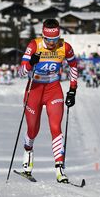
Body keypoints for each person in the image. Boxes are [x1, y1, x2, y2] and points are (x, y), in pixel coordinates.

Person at [18, 19, 78, 184]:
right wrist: (30, 63)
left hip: (53, 90)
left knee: (55, 127)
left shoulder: (64, 47)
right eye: (48, 40)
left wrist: (73, 89)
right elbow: (21, 72)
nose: (52, 43)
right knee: (32, 129)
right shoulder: (34, 45)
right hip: (35, 89)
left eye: (55, 39)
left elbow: (73, 66)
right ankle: (27, 157)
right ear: (43, 36)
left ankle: (60, 170)